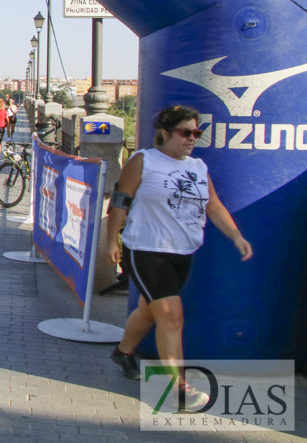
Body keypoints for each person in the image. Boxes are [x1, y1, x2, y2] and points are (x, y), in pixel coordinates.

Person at [107, 105, 253, 409]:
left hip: (182, 252)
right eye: (185, 132)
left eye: (196, 132)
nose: (192, 138)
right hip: (147, 250)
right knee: (172, 316)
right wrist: (111, 241)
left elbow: (214, 206)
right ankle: (179, 388)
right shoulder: (144, 161)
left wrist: (236, 236)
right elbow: (120, 201)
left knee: (150, 311)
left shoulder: (198, 167)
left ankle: (123, 352)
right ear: (165, 132)